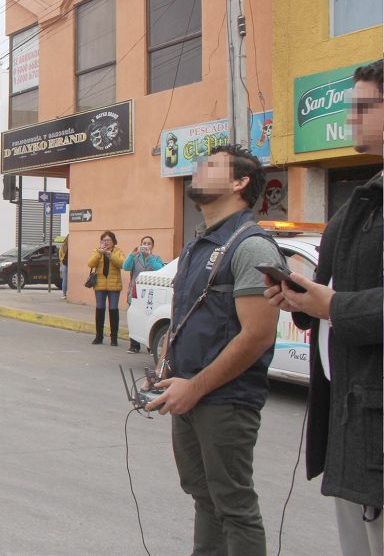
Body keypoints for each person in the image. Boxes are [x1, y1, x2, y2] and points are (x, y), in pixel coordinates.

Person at [265, 59, 383, 556]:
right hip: (353, 424)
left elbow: (341, 300)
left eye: (363, 106)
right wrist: (303, 299)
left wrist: (332, 304)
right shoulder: (361, 201)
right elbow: (333, 290)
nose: (350, 116)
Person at [146, 144, 285, 555]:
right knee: (204, 497)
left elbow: (258, 335)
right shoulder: (199, 245)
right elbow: (191, 316)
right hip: (188, 394)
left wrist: (196, 387)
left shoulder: (251, 246)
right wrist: (166, 362)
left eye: (211, 166)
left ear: (240, 182)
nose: (197, 170)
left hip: (224, 400)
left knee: (234, 505)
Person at [123, 235, 165, 353]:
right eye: (144, 243)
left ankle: (150, 346)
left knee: (149, 319)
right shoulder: (135, 258)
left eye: (149, 243)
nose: (146, 245)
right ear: (140, 245)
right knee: (134, 317)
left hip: (150, 295)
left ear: (152, 246)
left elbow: (160, 270)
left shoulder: (156, 258)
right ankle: (134, 345)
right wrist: (132, 254)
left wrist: (150, 257)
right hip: (135, 293)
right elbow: (125, 267)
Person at [86, 231, 125, 345]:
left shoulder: (118, 251)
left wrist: (110, 255)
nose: (106, 242)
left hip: (114, 285)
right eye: (104, 240)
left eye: (108, 240)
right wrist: (99, 253)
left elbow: (122, 264)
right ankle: (99, 336)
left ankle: (114, 338)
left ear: (113, 242)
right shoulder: (97, 251)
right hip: (100, 284)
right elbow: (90, 264)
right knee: (100, 309)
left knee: (113, 309)